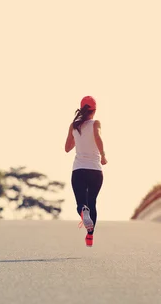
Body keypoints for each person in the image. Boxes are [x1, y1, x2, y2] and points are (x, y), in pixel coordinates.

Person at [64, 95, 107, 247]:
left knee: (81, 204)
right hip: (95, 170)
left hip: (79, 170)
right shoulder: (96, 123)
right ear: (94, 110)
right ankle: (90, 236)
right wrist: (103, 155)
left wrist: (78, 138)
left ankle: (83, 210)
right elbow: (98, 136)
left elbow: (67, 148)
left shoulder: (74, 125)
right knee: (93, 202)